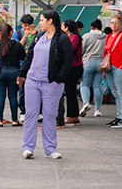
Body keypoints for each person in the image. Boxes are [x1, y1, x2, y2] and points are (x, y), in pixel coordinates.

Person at [17, 10, 73, 160]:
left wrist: (58, 79)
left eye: (42, 20)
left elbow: (68, 62)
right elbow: (30, 56)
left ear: (50, 21)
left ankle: (50, 149)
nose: (39, 23)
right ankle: (27, 147)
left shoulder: (62, 39)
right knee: (30, 114)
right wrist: (22, 74)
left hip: (51, 83)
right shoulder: (39, 36)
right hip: (33, 81)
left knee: (49, 115)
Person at [0, 24, 26, 127]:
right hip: (14, 71)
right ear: (10, 33)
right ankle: (15, 120)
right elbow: (23, 57)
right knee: (13, 96)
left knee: (0, 96)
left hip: (0, 72)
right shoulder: (17, 45)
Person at [79, 19, 107, 118]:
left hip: (88, 62)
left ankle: (86, 103)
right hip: (101, 63)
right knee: (97, 87)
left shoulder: (86, 36)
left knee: (84, 84)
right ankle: (98, 110)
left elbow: (81, 50)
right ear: (101, 27)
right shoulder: (106, 37)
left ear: (91, 27)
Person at [13, 14, 38, 123]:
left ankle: (37, 111)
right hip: (21, 64)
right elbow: (16, 47)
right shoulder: (17, 34)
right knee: (22, 89)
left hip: (34, 64)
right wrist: (25, 36)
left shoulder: (37, 34)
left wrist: (33, 35)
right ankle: (23, 111)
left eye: (29, 25)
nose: (26, 28)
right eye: (24, 25)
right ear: (21, 24)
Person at [60, 19, 83, 126]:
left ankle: (71, 116)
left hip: (74, 67)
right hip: (73, 67)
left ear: (66, 28)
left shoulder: (74, 37)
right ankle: (73, 115)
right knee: (71, 92)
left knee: (70, 92)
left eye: (62, 26)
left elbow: (69, 50)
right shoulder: (72, 37)